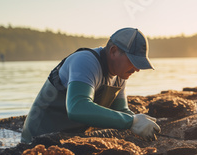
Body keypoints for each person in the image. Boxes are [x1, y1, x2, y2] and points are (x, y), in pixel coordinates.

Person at [21, 27, 160, 143]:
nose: (137, 69)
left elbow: (122, 110)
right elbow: (77, 108)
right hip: (37, 140)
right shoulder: (85, 61)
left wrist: (140, 122)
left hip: (70, 139)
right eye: (133, 61)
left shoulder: (120, 74)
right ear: (113, 51)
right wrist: (131, 121)